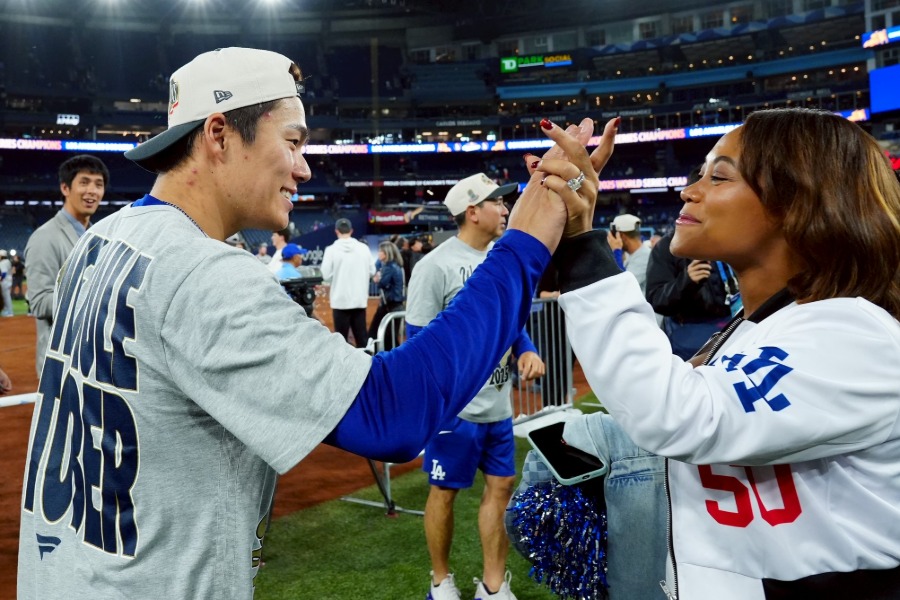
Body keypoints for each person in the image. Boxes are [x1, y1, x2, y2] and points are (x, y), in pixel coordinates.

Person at [17, 47, 618, 599]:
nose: (305, 168)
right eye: (294, 141)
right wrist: (522, 245)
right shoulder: (202, 272)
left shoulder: (105, 235)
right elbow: (392, 412)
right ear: (220, 135)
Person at [536, 107, 900, 599]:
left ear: (798, 205)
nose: (690, 191)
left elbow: (676, 415)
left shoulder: (858, 333)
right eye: (698, 173)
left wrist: (583, 244)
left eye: (719, 176)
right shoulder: (757, 328)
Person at [405, 173, 547, 600]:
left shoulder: (499, 260)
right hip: (457, 410)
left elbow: (511, 321)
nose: (505, 209)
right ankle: (440, 581)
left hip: (499, 406)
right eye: (496, 203)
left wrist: (525, 348)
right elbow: (418, 341)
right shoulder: (435, 266)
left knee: (501, 487)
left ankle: (493, 584)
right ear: (472, 212)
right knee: (444, 492)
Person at [24, 154, 109, 374]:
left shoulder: (99, 236)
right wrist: (94, 295)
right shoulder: (45, 237)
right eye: (84, 182)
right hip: (61, 365)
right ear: (65, 188)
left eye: (98, 184)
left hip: (92, 363)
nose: (92, 191)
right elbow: (40, 302)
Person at [645, 230, 734, 359]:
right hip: (689, 331)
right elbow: (656, 299)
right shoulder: (667, 246)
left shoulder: (725, 239)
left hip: (730, 323)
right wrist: (686, 282)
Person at [320, 217, 375, 347]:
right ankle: (367, 366)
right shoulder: (364, 248)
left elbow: (325, 275)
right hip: (359, 300)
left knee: (341, 341)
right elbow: (372, 271)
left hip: (340, 302)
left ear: (336, 231)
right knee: (362, 340)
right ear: (351, 231)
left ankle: (344, 367)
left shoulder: (331, 250)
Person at [367, 240, 405, 351]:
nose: (378, 254)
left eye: (380, 251)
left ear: (386, 253)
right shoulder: (395, 266)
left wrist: (376, 280)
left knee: (384, 336)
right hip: (393, 305)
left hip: (390, 306)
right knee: (390, 337)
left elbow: (382, 283)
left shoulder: (390, 267)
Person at [606, 213, 650, 294]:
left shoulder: (645, 256)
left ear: (621, 236)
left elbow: (622, 285)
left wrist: (616, 251)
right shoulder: (635, 254)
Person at [0, 249, 12, 316]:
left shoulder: (3, 262)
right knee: (5, 296)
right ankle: (6, 310)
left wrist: (0, 279)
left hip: (5, 281)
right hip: (7, 281)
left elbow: (4, 273)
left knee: (6, 296)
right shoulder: (7, 261)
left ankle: (9, 311)